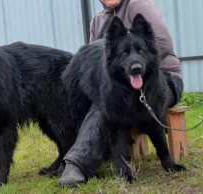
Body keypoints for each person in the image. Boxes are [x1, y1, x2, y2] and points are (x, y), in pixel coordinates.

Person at [58, 0, 184, 187]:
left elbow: (163, 43)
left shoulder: (138, 6)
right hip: (121, 81)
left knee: (105, 107)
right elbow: (102, 59)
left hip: (163, 77)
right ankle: (104, 156)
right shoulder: (98, 20)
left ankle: (78, 164)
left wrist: (139, 61)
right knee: (106, 102)